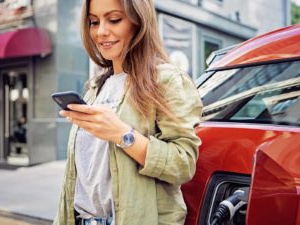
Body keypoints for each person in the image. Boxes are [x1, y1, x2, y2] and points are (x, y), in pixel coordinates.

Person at [53, 0, 202, 225]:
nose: (101, 31)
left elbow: (184, 164)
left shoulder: (168, 80)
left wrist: (123, 134)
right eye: (94, 22)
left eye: (114, 19)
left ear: (139, 21)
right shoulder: (96, 88)